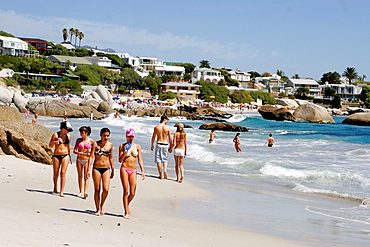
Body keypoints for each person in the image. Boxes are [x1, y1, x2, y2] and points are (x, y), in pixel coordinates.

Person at [118, 128, 145, 219]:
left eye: (132, 136)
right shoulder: (122, 146)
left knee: (132, 192)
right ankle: (126, 211)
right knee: (126, 191)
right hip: (124, 168)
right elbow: (120, 160)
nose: (130, 138)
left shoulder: (137, 146)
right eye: (129, 136)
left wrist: (142, 171)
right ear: (126, 136)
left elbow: (139, 159)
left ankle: (127, 204)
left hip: (133, 169)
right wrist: (125, 151)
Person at [89, 128, 114, 216]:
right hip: (96, 168)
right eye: (104, 136)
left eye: (107, 136)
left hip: (106, 168)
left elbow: (111, 157)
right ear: (101, 135)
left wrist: (113, 169)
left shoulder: (110, 145)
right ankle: (97, 209)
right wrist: (88, 169)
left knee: (106, 189)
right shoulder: (95, 144)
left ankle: (102, 204)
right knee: (97, 189)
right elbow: (91, 157)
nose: (106, 137)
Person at [49, 121, 73, 197]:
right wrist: (54, 143)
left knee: (63, 172)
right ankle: (55, 187)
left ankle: (62, 191)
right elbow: (50, 145)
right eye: (67, 129)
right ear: (62, 128)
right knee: (56, 173)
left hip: (65, 155)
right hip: (56, 155)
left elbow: (68, 146)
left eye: (68, 130)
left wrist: (69, 155)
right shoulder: (55, 135)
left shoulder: (68, 136)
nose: (67, 131)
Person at [73, 126, 94, 199]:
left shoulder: (91, 141)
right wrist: (81, 153)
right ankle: (80, 191)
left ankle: (85, 191)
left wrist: (89, 152)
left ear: (86, 133)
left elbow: (94, 151)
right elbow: (74, 151)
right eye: (80, 132)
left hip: (86, 160)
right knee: (79, 175)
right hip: (79, 159)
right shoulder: (78, 140)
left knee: (86, 176)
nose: (81, 133)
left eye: (82, 132)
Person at [151, 115, 173, 179]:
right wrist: (171, 147)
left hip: (159, 143)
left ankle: (160, 174)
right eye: (167, 120)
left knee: (158, 160)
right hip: (165, 144)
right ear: (164, 119)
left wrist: (152, 145)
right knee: (165, 159)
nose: (167, 121)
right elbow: (170, 138)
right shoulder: (168, 128)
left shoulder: (156, 127)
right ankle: (165, 170)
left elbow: (153, 137)